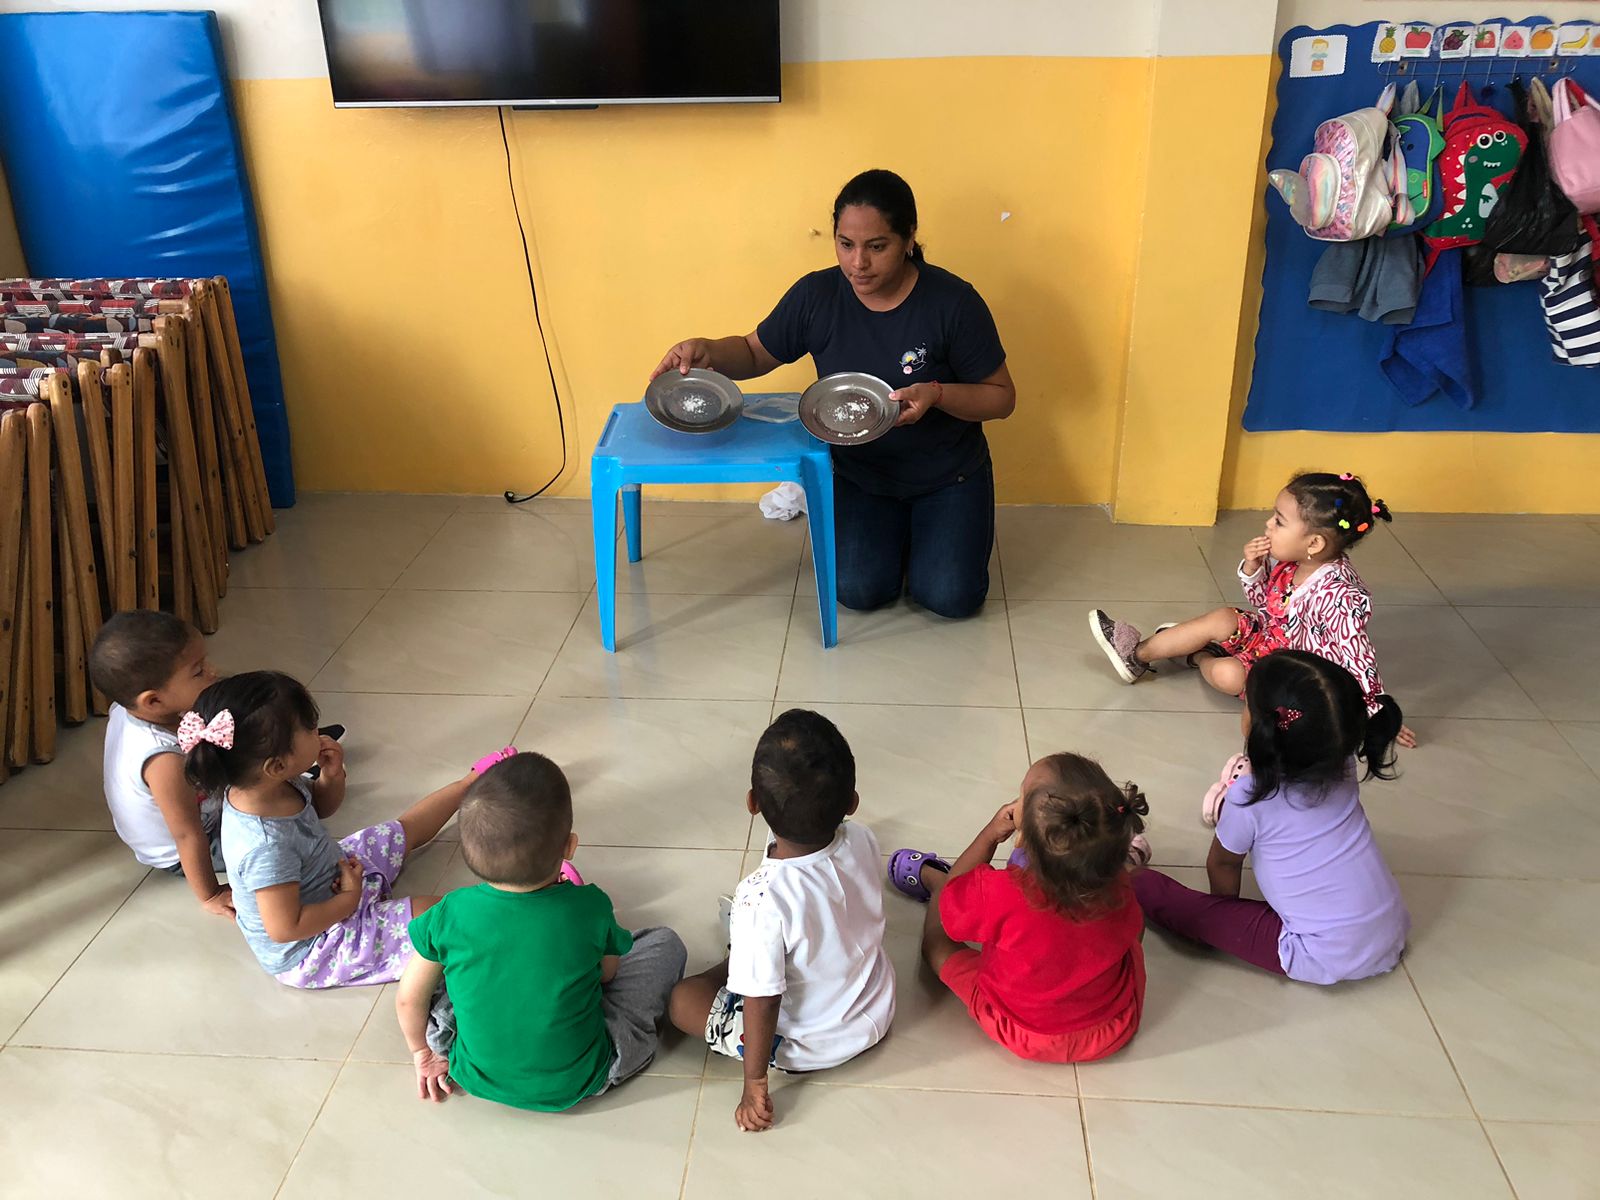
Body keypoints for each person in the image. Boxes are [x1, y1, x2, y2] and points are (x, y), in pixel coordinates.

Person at [650, 168, 1016, 619]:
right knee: (859, 590)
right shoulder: (817, 295)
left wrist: (937, 394)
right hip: (860, 473)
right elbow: (754, 352)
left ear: (908, 238)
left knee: (950, 597)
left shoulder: (953, 303)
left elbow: (1001, 397)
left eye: (876, 247)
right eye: (846, 244)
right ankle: (898, 536)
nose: (857, 263)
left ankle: (928, 533)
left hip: (947, 475)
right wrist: (708, 350)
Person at [395, 752, 687, 1111]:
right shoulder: (590, 906)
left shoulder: (449, 911)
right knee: (663, 943)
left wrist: (422, 1053)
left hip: (474, 1071)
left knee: (443, 971)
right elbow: (607, 974)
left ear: (468, 855)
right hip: (582, 1076)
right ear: (569, 848)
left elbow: (408, 998)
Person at [668, 709, 895, 1132]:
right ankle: (745, 959)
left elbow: (764, 1001)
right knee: (767, 945)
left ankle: (740, 962)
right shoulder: (862, 838)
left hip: (810, 1043)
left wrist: (754, 1081)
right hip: (875, 1002)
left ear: (752, 804)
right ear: (852, 802)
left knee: (683, 1000)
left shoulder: (761, 899)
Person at [1134, 650, 1411, 984]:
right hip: (1391, 931)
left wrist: (1221, 917)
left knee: (1151, 890)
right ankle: (1238, 815)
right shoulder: (1345, 764)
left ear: (1255, 723)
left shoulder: (1250, 796)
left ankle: (1130, 874)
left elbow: (1223, 864)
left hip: (1320, 954)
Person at [182, 670, 474, 987]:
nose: (319, 732)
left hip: (332, 875)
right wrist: (348, 899)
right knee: (437, 916)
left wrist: (331, 778)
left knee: (397, 832)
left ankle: (467, 786)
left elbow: (321, 807)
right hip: (316, 946)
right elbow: (285, 928)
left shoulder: (267, 783)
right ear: (277, 765)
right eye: (310, 728)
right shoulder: (266, 848)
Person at [1088, 470, 1416, 750]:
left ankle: (1198, 656)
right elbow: (1264, 604)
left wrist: (1375, 714)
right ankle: (1137, 656)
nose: (1268, 525)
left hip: (1287, 670)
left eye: (1279, 521)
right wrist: (1253, 567)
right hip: (1267, 636)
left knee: (1229, 675)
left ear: (1314, 543)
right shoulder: (1293, 561)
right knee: (1222, 617)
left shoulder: (1341, 596)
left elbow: (1359, 658)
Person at [886, 754, 1147, 1063]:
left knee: (938, 944)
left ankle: (934, 881)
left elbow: (951, 912)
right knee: (1131, 932)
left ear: (1021, 838)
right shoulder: (1120, 886)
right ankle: (1127, 857)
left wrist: (989, 835)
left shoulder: (1001, 893)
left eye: (1022, 794)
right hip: (1109, 1028)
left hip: (1021, 1029)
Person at [89, 610, 231, 917]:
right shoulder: (163, 760)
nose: (212, 672)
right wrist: (211, 894)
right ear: (153, 701)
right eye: (198, 671)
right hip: (190, 847)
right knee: (276, 830)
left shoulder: (128, 707)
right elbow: (187, 834)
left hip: (195, 813)